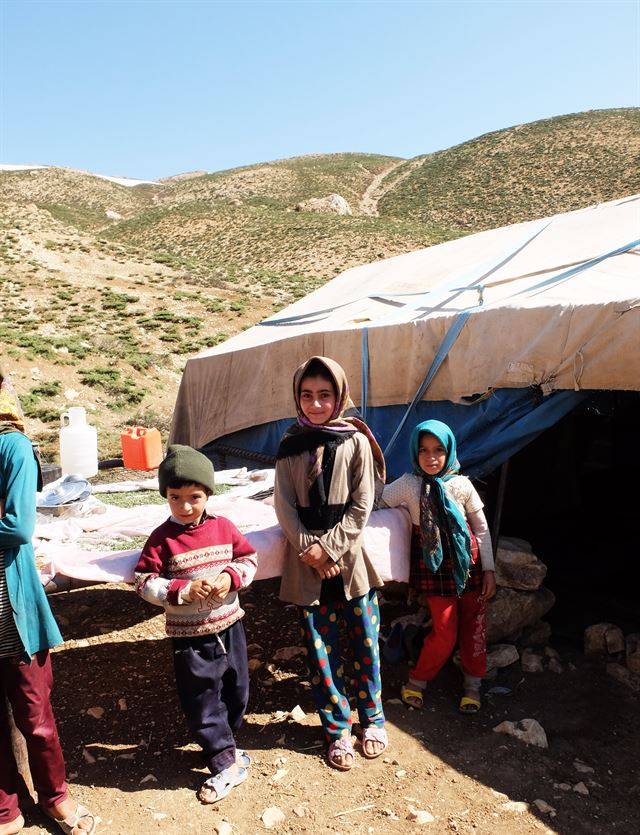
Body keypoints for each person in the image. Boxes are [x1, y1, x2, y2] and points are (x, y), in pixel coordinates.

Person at [274, 356, 388, 771]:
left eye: (325, 395)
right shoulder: (289, 445)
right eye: (307, 396)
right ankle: (337, 727)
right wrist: (309, 550)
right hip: (308, 565)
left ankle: (372, 718)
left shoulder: (354, 440)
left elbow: (363, 504)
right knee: (322, 651)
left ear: (339, 396)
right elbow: (284, 505)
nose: (316, 404)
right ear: (297, 398)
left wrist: (331, 549)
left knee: (365, 642)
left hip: (351, 563)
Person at [0, 370, 96, 835]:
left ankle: (55, 797)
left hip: (11, 610)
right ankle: (7, 808)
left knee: (35, 715)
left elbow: (18, 528)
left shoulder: (11, 446)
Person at [134, 444, 257, 804]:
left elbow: (249, 557)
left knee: (238, 689)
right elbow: (144, 581)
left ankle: (226, 746)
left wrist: (231, 577)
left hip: (230, 625)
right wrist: (183, 591)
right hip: (191, 636)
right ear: (165, 496)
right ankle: (224, 762)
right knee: (202, 697)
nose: (185, 506)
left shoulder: (224, 527)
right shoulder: (162, 539)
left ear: (208, 494)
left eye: (194, 496)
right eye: (175, 497)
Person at [381, 419, 496, 714]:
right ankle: (418, 680)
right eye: (423, 450)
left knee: (474, 624)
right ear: (414, 453)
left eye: (438, 450)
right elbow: (377, 501)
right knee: (445, 629)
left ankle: (473, 684)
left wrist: (489, 571)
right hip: (435, 569)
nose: (431, 458)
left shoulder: (461, 484)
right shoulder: (409, 484)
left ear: (450, 452)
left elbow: (480, 530)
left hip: (469, 566)